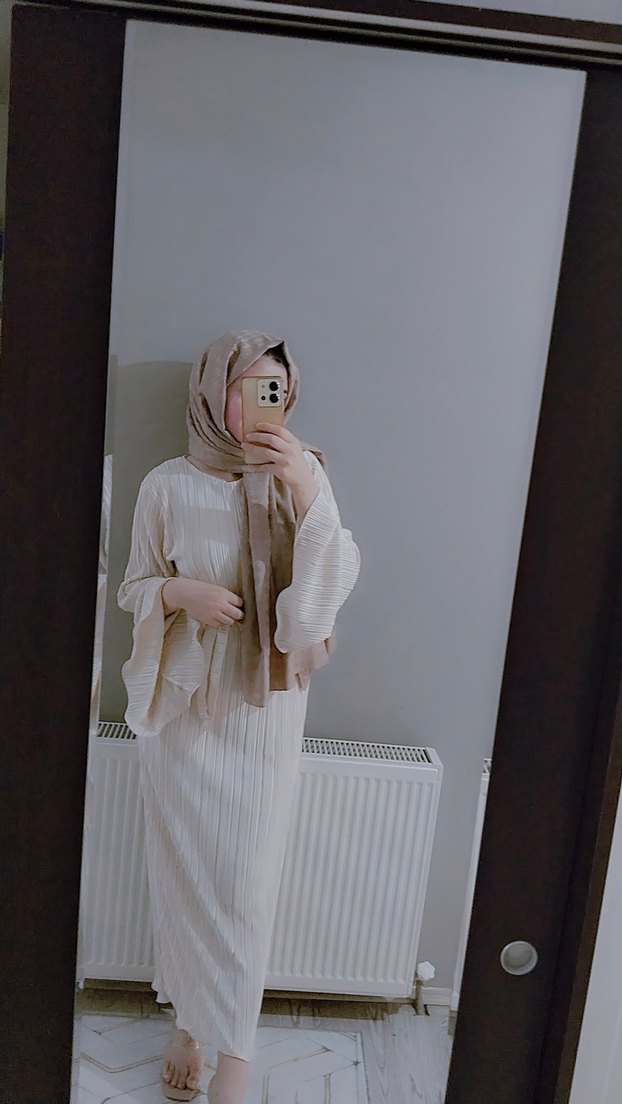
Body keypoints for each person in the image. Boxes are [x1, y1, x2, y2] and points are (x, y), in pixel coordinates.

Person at [117, 330, 360, 1103]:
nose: (261, 402)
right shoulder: (165, 484)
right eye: (245, 386)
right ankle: (189, 1026)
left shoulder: (304, 472)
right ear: (209, 391)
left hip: (263, 714)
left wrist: (307, 493)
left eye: (274, 389)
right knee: (184, 881)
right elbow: (133, 586)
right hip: (186, 713)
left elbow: (327, 587)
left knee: (246, 891)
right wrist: (179, 593)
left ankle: (238, 1055)